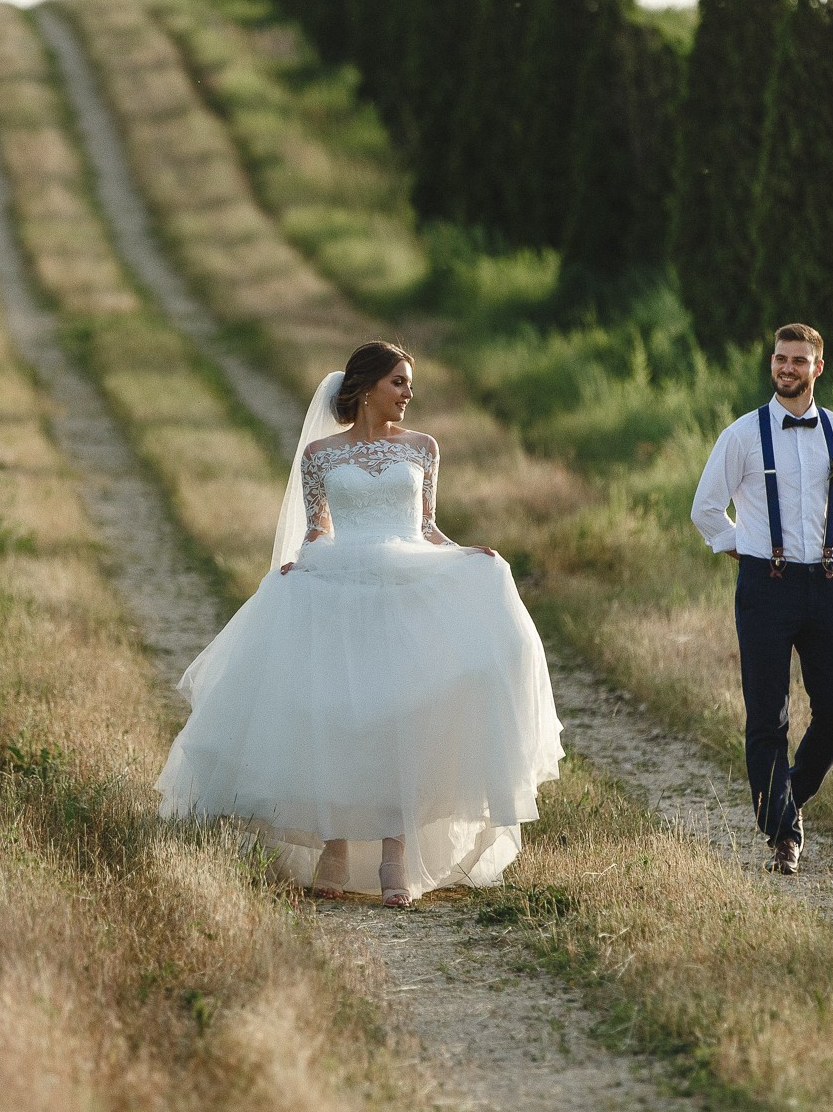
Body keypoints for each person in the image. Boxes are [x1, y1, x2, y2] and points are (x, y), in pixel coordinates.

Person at [155, 341, 563, 907]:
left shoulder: (423, 448)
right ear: (368, 386)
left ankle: (397, 853)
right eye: (398, 382)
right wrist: (301, 559)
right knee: (339, 711)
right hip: (343, 582)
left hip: (405, 581)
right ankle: (336, 843)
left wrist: (469, 554)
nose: (408, 394)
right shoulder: (320, 454)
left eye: (409, 383)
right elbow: (317, 526)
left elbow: (427, 527)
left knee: (401, 709)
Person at [690, 324, 833, 875]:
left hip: (825, 585)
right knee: (767, 719)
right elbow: (705, 509)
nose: (787, 368)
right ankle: (783, 835)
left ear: (818, 367)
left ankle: (784, 798)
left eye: (798, 360)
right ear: (772, 363)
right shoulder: (743, 435)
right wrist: (742, 551)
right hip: (764, 589)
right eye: (780, 359)